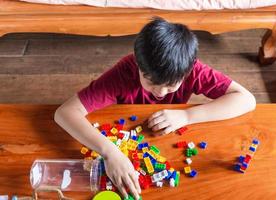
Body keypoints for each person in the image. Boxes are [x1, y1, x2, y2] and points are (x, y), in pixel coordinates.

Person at [54, 17, 256, 200]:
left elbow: (246, 99)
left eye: (170, 85)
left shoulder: (192, 70)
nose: (160, 92)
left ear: (187, 72)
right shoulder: (124, 72)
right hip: (130, 136)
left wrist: (186, 116)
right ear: (138, 64)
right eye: (150, 82)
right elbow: (65, 113)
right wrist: (109, 152)